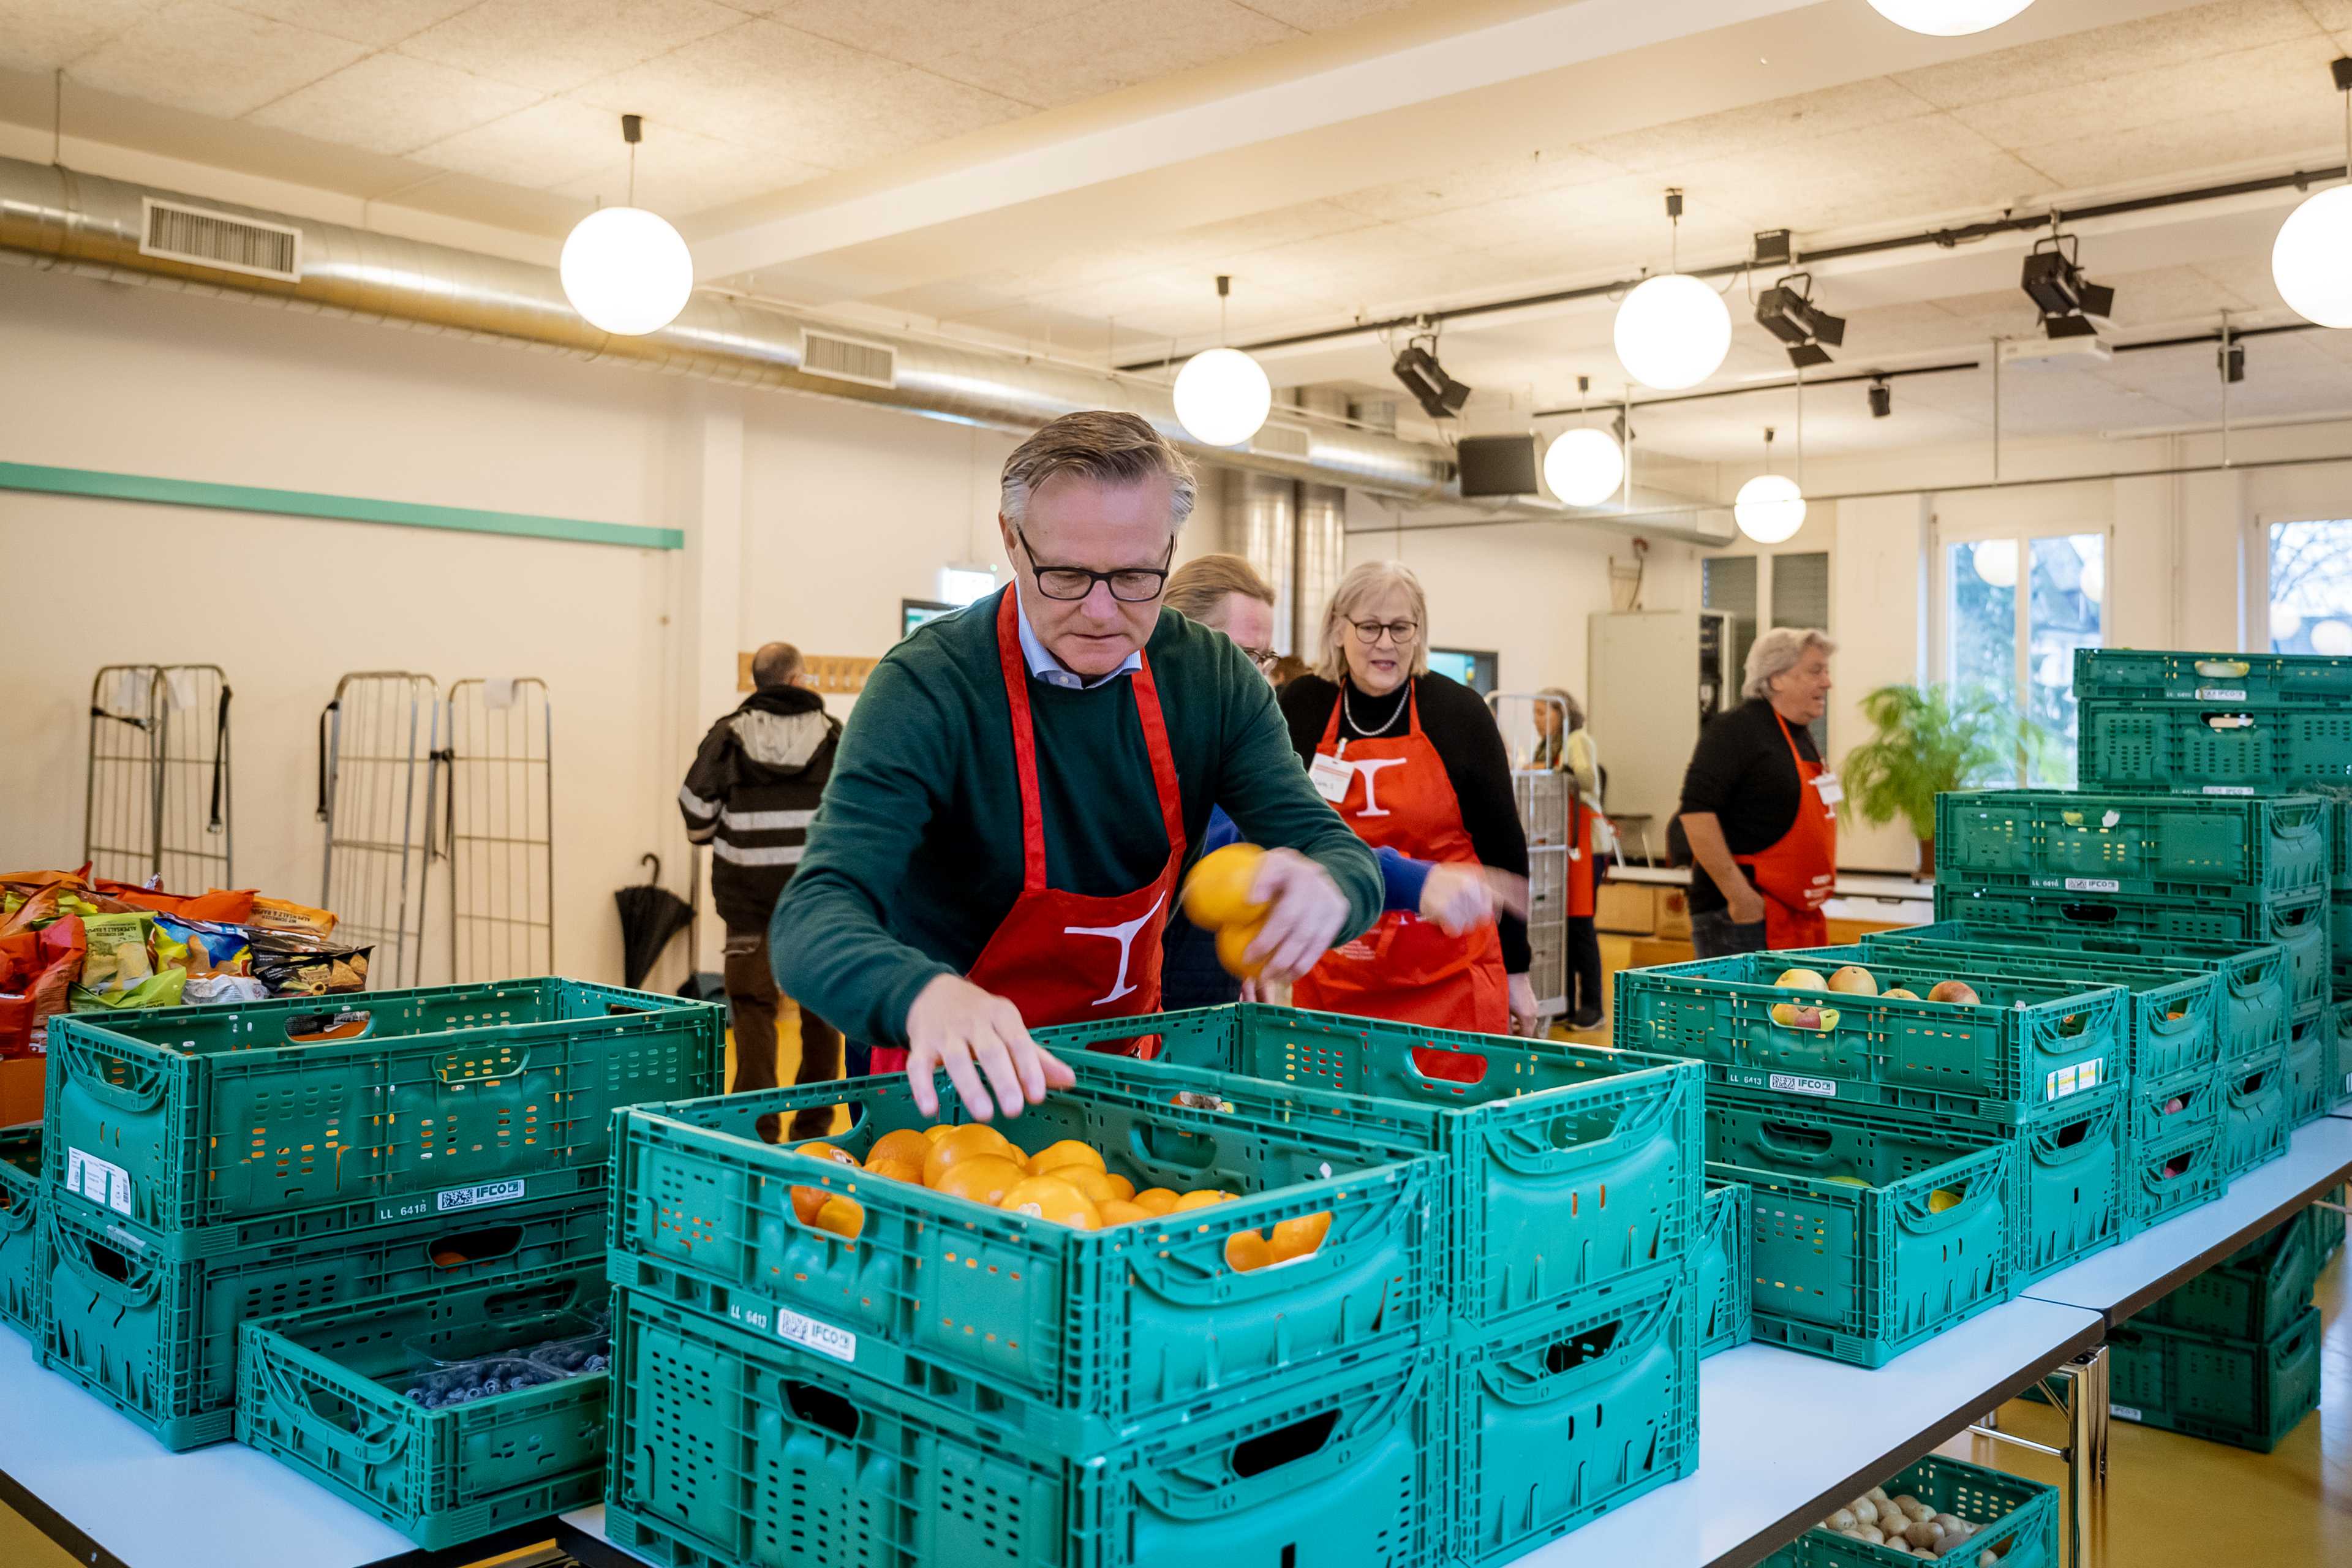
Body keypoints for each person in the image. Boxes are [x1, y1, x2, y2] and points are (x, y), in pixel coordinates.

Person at [771, 412, 1383, 1121]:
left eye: (1134, 576)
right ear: (1011, 538)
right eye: (1064, 574)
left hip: (1124, 1085)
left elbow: (1338, 850)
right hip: (950, 1091)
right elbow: (812, 916)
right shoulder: (931, 685)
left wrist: (1332, 889)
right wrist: (921, 994)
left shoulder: (1212, 679)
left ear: (1170, 548)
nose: (1100, 610)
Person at [1159, 553, 1510, 1012]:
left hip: (1208, 1008)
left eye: (1263, 659)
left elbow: (1308, 831)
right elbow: (1230, 844)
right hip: (1119, 1020)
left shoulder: (1231, 741)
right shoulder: (1143, 736)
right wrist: (1413, 880)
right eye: (1241, 656)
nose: (1256, 679)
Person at [1279, 562, 1539, 1047]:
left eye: (1402, 628)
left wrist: (1518, 973)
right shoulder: (1302, 707)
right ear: (1338, 628)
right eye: (1370, 627)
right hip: (1337, 979)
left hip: (1450, 980)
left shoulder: (1459, 713)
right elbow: (1278, 832)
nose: (1386, 643)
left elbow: (1503, 846)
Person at [679, 641, 843, 1140]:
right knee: (824, 1011)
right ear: (797, 681)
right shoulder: (835, 736)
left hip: (747, 899)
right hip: (816, 897)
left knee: (752, 1008)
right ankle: (814, 1127)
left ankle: (757, 1129)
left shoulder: (728, 735)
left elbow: (695, 817)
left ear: (759, 683)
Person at [1676, 627, 1838, 957]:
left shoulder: (1801, 735)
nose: (1827, 682)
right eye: (1815, 671)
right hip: (1741, 918)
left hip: (1796, 914)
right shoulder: (1736, 729)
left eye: (1827, 670)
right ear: (1776, 678)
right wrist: (1740, 897)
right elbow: (1695, 815)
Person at [1533, 687, 1606, 1031]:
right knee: (1561, 927)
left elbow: (1587, 780)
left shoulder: (1577, 740)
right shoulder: (1547, 747)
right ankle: (1564, 1002)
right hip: (1562, 842)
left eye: (1544, 713)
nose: (1538, 721)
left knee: (1580, 924)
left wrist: (1549, 773)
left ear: (1563, 714)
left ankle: (1593, 1004)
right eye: (1534, 713)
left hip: (1584, 842)